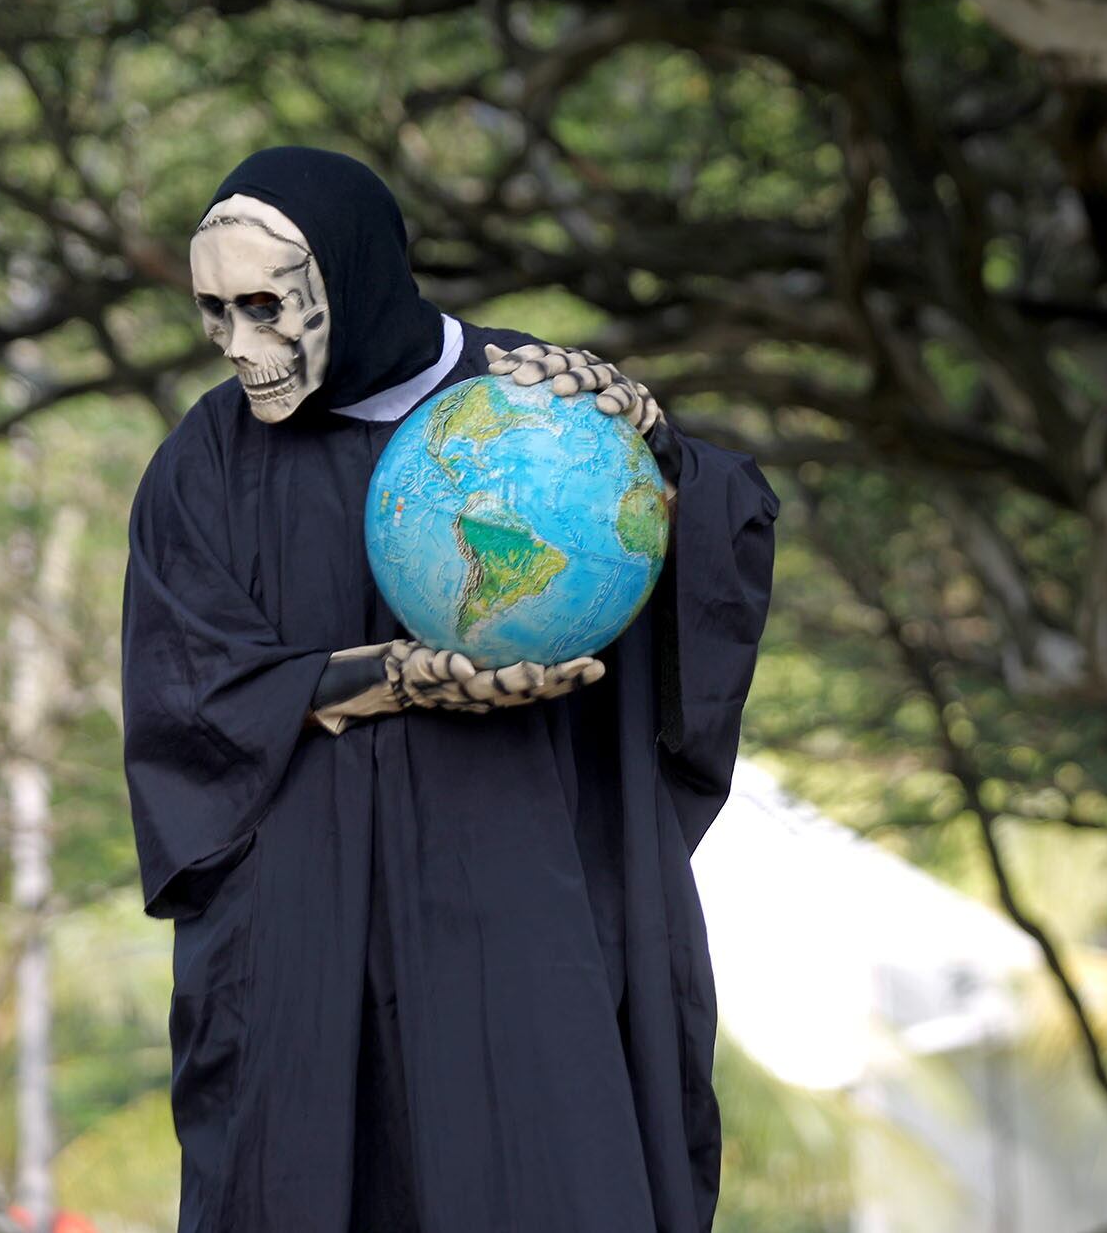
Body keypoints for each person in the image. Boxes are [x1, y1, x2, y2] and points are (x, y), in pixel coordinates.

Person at [119, 146, 779, 1233]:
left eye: (266, 307)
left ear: (359, 274)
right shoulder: (204, 468)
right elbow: (186, 698)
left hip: (529, 920)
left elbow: (706, 549)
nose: (241, 346)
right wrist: (394, 678)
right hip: (305, 946)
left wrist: (658, 456)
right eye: (212, 312)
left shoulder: (541, 413)